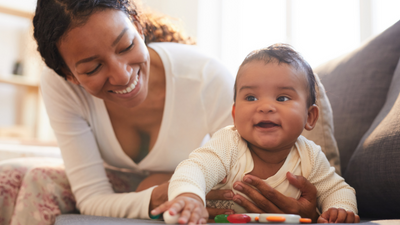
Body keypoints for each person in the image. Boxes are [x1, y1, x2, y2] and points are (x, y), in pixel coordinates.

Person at [0, 1, 333, 224]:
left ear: (138, 26)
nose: (121, 75)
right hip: (130, 184)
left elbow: (255, 170)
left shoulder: (205, 78)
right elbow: (91, 194)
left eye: (126, 46)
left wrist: (306, 205)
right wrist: (155, 194)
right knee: (11, 176)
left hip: (194, 181)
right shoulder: (60, 84)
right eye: (92, 68)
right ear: (69, 75)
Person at [151, 44, 360, 224]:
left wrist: (339, 209)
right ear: (234, 114)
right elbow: (195, 169)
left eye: (282, 98)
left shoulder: (310, 157)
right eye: (251, 98)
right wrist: (190, 196)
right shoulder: (228, 144)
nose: (265, 107)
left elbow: (338, 189)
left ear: (310, 116)